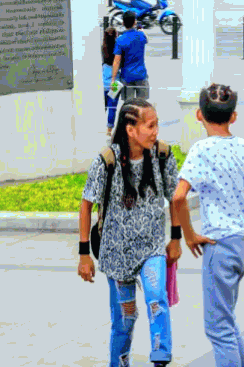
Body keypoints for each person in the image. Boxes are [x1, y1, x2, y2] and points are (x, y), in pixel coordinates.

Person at [78, 101, 183, 367]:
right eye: (150, 126)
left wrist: (175, 238)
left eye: (157, 124)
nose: (156, 131)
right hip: (116, 255)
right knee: (124, 320)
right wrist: (84, 256)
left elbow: (175, 197)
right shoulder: (106, 161)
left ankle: (161, 357)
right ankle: (119, 362)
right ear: (130, 129)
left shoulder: (162, 156)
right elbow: (86, 204)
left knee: (156, 298)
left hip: (152, 248)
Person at [175, 83, 244, 367]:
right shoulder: (243, 147)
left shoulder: (200, 150)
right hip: (240, 242)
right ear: (234, 117)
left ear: (198, 115)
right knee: (226, 321)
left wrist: (189, 236)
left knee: (217, 329)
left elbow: (178, 197)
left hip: (217, 243)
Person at [112, 20, 152, 110]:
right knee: (143, 105)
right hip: (141, 75)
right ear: (134, 23)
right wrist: (141, 30)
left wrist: (113, 79)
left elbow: (116, 61)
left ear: (123, 24)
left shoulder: (120, 39)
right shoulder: (141, 35)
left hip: (126, 77)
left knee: (128, 106)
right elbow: (146, 39)